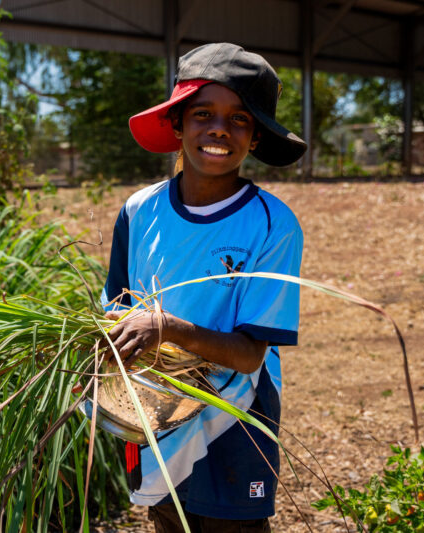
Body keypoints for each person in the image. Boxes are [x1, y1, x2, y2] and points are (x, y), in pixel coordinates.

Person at [100, 42, 306, 533]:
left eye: (239, 119)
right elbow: (117, 307)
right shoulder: (139, 211)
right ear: (177, 125)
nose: (219, 129)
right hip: (155, 408)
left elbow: (250, 355)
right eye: (202, 114)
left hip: (234, 416)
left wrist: (167, 327)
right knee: (169, 519)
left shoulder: (273, 225)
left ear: (255, 137)